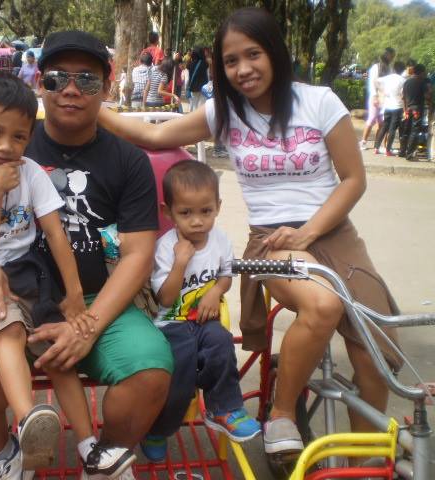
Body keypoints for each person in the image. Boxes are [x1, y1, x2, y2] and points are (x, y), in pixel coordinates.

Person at [98, 7, 402, 462]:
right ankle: (280, 413)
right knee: (322, 305)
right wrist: (89, 106)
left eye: (252, 55)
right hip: (272, 241)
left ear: (274, 52)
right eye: (231, 61)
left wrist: (311, 232)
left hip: (334, 234)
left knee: (374, 357)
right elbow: (152, 136)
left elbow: (353, 180)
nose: (243, 69)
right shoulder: (225, 111)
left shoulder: (320, 102)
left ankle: (364, 463)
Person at [0, 30, 172, 480]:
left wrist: (87, 326)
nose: (70, 89)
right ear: (40, 83)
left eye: (87, 80)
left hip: (93, 299)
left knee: (150, 371)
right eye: (56, 78)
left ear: (107, 88)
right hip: (8, 295)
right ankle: (2, 453)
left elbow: (138, 254)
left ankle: (105, 455)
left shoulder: (127, 160)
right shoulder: (6, 134)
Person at [140, 160, 260, 462]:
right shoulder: (166, 247)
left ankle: (224, 409)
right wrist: (181, 262)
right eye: (186, 213)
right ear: (168, 212)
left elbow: (225, 273)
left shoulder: (220, 239)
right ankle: (159, 428)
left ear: (217, 207)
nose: (197, 221)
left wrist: (217, 292)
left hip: (205, 321)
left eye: (205, 211)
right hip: (170, 324)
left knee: (221, 343)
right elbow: (166, 299)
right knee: (180, 368)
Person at [359, 47, 395, 150]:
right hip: (375, 96)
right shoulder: (376, 67)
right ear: (387, 56)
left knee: (382, 122)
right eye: (391, 56)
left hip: (385, 98)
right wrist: (375, 96)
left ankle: (377, 144)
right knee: (371, 119)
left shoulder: (390, 69)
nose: (392, 58)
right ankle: (363, 142)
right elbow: (372, 83)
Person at [399, 63, 432, 160]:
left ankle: (402, 151)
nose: (425, 74)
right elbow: (427, 97)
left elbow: (403, 97)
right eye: (424, 72)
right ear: (421, 72)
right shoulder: (422, 82)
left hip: (408, 109)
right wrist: (429, 92)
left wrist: (405, 110)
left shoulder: (407, 82)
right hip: (417, 109)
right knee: (415, 131)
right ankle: (409, 154)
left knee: (406, 130)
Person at [373, 61, 405, 156]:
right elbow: (403, 93)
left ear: (394, 69)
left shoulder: (387, 78)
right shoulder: (403, 80)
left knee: (384, 127)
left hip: (388, 106)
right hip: (398, 106)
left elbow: (375, 81)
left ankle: (376, 147)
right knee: (392, 129)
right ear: (403, 70)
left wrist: (383, 90)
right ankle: (388, 150)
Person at [186, 46, 209, 112]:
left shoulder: (190, 64)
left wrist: (187, 87)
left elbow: (187, 78)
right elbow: (208, 76)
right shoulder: (205, 63)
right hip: (204, 88)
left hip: (193, 88)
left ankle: (194, 120)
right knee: (202, 106)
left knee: (194, 105)